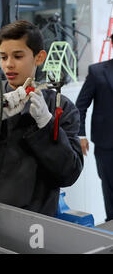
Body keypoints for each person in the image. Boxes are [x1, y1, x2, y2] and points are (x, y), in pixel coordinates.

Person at [0, 20, 84, 234]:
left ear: (39, 57)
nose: (9, 64)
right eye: (3, 57)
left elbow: (69, 173)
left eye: (18, 56)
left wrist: (46, 125)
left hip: (29, 228)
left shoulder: (61, 107)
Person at [75, 43, 113, 222]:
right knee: (110, 191)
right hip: (107, 144)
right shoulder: (97, 72)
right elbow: (80, 106)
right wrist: (81, 135)